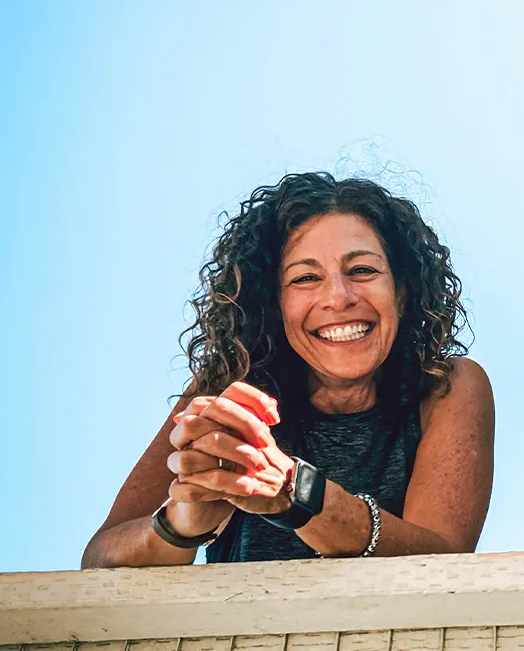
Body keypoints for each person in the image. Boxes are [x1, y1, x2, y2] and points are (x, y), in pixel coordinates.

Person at [83, 172, 494, 566]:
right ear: (273, 307)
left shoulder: (448, 386)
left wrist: (295, 492)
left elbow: (444, 558)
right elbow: (100, 558)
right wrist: (180, 525)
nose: (338, 297)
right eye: (305, 278)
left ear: (403, 293)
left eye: (362, 270)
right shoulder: (227, 388)